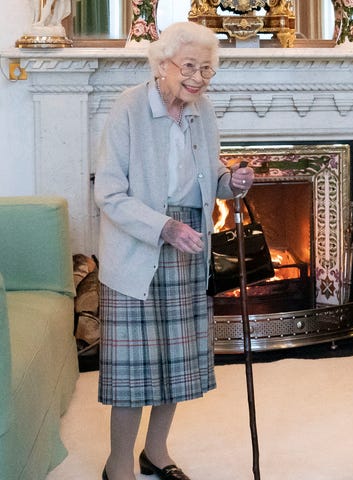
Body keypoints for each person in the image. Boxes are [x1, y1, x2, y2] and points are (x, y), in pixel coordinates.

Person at [94, 21, 254, 480]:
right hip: (139, 246)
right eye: (189, 66)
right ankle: (118, 463)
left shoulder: (202, 110)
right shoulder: (128, 107)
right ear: (161, 64)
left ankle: (156, 452)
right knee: (132, 372)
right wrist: (162, 226)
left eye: (207, 69)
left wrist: (233, 182)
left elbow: (211, 175)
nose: (198, 77)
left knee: (176, 363)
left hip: (188, 245)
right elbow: (108, 192)